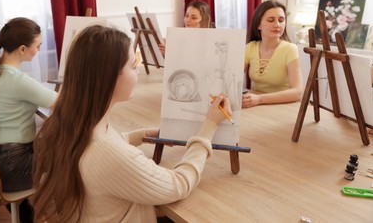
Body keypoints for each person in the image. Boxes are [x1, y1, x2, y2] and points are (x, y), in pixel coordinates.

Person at [31, 25, 232, 222]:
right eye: (133, 66)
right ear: (108, 78)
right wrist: (209, 127)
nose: (137, 72)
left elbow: (105, 151)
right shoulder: (108, 153)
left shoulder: (71, 124)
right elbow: (178, 184)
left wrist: (141, 134)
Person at [0, 17, 58, 222]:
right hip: (13, 167)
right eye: (38, 46)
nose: (40, 49)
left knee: (52, 145)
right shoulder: (17, 80)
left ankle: (28, 215)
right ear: (23, 49)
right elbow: (62, 103)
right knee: (71, 158)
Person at [242, 0, 303, 108]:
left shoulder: (290, 49)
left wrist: (260, 99)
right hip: (255, 106)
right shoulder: (250, 47)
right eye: (270, 20)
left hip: (282, 106)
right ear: (258, 25)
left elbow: (297, 92)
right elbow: (232, 76)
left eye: (281, 20)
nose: (277, 25)